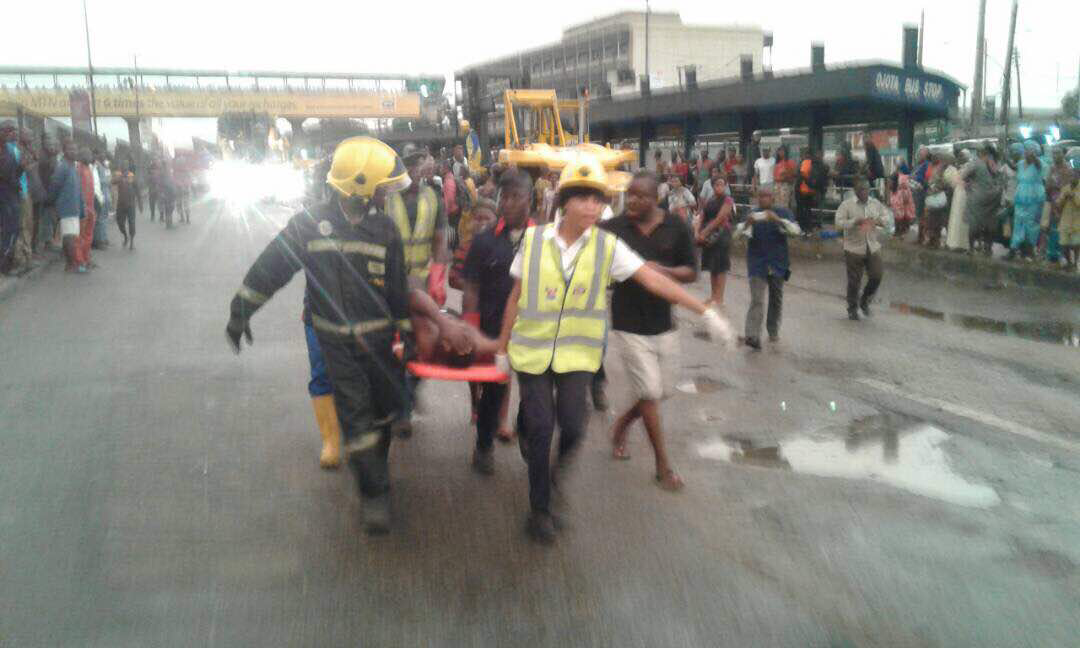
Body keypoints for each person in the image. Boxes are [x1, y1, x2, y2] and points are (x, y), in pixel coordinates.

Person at [496, 153, 733, 544]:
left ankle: (552, 478)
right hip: (534, 355)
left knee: (572, 427)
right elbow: (516, 296)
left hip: (577, 357)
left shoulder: (607, 247)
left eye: (599, 199)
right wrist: (501, 350)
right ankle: (539, 509)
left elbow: (652, 281)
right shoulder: (534, 241)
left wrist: (704, 311)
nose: (594, 207)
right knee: (540, 429)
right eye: (584, 198)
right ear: (564, 201)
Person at [226, 136, 413, 534]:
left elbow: (398, 289)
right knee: (357, 419)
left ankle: (375, 471)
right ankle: (374, 494)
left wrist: (407, 335)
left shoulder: (385, 230)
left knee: (385, 414)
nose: (385, 194)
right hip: (338, 346)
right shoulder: (308, 225)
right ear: (361, 187)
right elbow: (270, 268)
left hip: (380, 346)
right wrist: (240, 313)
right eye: (380, 187)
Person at [601, 170, 697, 491]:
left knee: (660, 391)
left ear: (656, 198)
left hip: (664, 323)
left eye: (641, 196)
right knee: (650, 393)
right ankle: (662, 466)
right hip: (628, 323)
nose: (633, 200)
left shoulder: (676, 227)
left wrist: (663, 270)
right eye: (630, 194)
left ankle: (622, 425)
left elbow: (691, 272)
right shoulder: (614, 228)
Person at [463, 171, 533, 474]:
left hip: (534, 331)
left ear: (530, 199)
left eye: (515, 196)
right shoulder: (484, 242)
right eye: (504, 196)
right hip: (494, 330)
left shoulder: (544, 238)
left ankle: (528, 432)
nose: (507, 203)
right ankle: (483, 445)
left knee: (535, 392)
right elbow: (472, 288)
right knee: (492, 391)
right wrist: (470, 328)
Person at [733, 185, 802, 348]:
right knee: (757, 299)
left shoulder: (783, 213)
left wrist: (777, 220)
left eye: (767, 196)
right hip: (757, 263)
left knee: (776, 298)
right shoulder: (751, 214)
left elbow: (796, 232)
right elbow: (735, 236)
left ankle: (773, 330)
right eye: (761, 196)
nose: (763, 199)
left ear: (773, 198)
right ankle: (752, 335)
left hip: (779, 263)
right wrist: (746, 225)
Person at [388, 143, 449, 304]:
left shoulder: (434, 198)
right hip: (392, 280)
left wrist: (437, 277)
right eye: (408, 165)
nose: (413, 170)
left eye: (416, 165)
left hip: (423, 281)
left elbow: (440, 241)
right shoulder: (386, 198)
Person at [835, 177, 892, 321]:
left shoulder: (875, 203)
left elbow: (887, 218)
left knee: (877, 275)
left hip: (872, 245)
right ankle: (852, 308)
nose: (865, 192)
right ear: (855, 191)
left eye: (867, 189)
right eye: (861, 189)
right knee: (854, 280)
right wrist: (854, 222)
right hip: (853, 247)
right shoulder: (847, 205)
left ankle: (865, 300)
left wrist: (878, 221)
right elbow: (838, 223)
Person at [45, 138, 84, 272]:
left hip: (73, 207)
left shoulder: (72, 166)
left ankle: (70, 264)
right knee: (69, 236)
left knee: (70, 236)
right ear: (64, 151)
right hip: (67, 207)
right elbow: (54, 186)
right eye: (70, 149)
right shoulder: (63, 167)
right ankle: (71, 265)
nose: (73, 151)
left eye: (75, 149)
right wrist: (51, 203)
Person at [696, 175, 734, 306]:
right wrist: (697, 232)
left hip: (721, 235)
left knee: (721, 267)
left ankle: (719, 298)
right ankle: (713, 296)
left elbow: (720, 218)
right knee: (712, 266)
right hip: (708, 236)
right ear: (712, 186)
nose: (720, 187)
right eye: (717, 184)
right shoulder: (709, 200)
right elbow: (701, 216)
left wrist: (704, 233)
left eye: (722, 184)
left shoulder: (728, 200)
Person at [1007, 141, 1046, 261]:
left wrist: (1033, 156)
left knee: (1031, 225)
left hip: (1034, 198)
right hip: (1020, 198)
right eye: (1026, 150)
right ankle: (1013, 249)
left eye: (1029, 151)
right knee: (1018, 222)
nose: (1027, 153)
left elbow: (1039, 165)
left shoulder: (1040, 164)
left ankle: (1029, 251)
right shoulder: (1020, 163)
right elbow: (1013, 166)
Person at [963, 143, 1002, 256]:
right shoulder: (995, 164)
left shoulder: (976, 163)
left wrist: (968, 185)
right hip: (993, 198)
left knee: (974, 224)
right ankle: (987, 248)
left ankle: (972, 248)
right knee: (990, 224)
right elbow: (1000, 178)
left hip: (978, 198)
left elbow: (964, 176)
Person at [1045, 147, 1075, 266]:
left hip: (1065, 203)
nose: (1055, 155)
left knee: (1063, 230)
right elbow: (1048, 185)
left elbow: (1068, 187)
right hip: (1053, 202)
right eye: (1053, 153)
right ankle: (1053, 255)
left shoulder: (1068, 169)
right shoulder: (1052, 168)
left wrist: (1056, 187)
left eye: (1057, 153)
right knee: (1053, 229)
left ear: (1063, 154)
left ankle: (1064, 256)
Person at [0, 121, 21, 275]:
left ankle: (8, 263)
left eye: (13, 130)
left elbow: (12, 173)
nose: (11, 133)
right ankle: (4, 266)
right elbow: (5, 174)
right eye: (8, 130)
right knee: (7, 230)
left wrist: (21, 170)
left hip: (12, 194)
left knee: (13, 229)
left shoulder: (8, 149)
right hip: (4, 196)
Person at [74, 147, 98, 273]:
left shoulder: (89, 168)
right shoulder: (78, 169)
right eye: (87, 154)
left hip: (90, 208)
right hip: (82, 209)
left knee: (89, 235)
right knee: (80, 236)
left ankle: (86, 258)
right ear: (82, 156)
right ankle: (80, 262)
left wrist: (93, 208)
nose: (90, 157)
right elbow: (77, 190)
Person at [921, 152, 950, 248]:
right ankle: (933, 240)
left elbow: (936, 183)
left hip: (933, 197)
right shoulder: (935, 169)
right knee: (933, 221)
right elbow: (938, 183)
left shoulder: (937, 169)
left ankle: (934, 240)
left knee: (933, 221)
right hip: (934, 197)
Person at [112, 159, 142, 250]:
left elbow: (137, 190)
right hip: (121, 204)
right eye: (123, 164)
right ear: (121, 166)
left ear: (128, 166)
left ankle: (132, 242)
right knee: (120, 222)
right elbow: (112, 181)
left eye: (126, 165)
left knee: (131, 223)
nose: (124, 166)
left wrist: (140, 203)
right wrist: (119, 177)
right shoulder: (118, 174)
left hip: (131, 204)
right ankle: (125, 236)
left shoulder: (131, 176)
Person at [795, 147, 826, 233]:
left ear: (805, 154)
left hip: (803, 190)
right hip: (812, 190)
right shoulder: (816, 163)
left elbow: (803, 173)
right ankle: (809, 228)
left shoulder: (806, 162)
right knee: (808, 210)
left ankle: (804, 229)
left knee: (802, 210)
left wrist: (802, 181)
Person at [945, 151, 970, 252]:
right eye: (959, 156)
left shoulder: (968, 167)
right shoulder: (959, 167)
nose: (960, 158)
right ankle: (954, 242)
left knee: (962, 218)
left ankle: (962, 244)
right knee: (956, 217)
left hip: (964, 194)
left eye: (962, 156)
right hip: (958, 194)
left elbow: (966, 181)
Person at [1056, 173, 1080, 271]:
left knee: (1076, 244)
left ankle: (1075, 263)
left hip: (1077, 221)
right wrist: (1064, 198)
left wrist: (1073, 195)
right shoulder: (1065, 188)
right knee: (1063, 243)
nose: (1072, 178)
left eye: (1074, 177)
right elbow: (1058, 203)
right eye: (1070, 176)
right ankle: (1067, 263)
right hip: (1065, 219)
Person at [92, 150, 112, 247]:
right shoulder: (97, 166)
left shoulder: (104, 166)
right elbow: (98, 181)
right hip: (101, 195)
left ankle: (103, 238)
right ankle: (99, 240)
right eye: (102, 154)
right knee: (100, 218)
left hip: (106, 194)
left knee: (104, 217)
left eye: (105, 155)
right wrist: (108, 181)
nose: (104, 156)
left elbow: (108, 180)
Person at [888, 173, 915, 238]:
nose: (889, 183)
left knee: (900, 219)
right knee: (897, 217)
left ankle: (901, 231)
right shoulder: (893, 191)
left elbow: (906, 202)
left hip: (902, 212)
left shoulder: (901, 191)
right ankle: (898, 231)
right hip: (898, 211)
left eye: (890, 181)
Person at [772, 144, 796, 210]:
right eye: (779, 151)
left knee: (784, 205)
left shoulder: (790, 162)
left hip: (785, 185)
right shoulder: (777, 163)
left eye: (782, 151)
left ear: (786, 152)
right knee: (776, 205)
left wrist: (786, 176)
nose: (781, 153)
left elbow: (793, 175)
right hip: (776, 185)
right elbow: (774, 175)